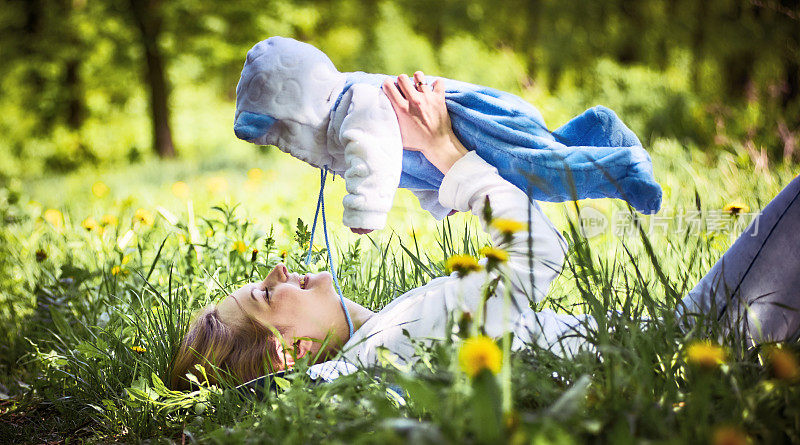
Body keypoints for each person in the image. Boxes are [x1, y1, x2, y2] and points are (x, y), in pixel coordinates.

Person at [170, 72, 800, 390]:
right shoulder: (397, 340)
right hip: (694, 348)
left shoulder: (387, 340)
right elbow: (538, 254)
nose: (278, 271)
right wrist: (444, 149)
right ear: (294, 352)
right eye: (263, 294)